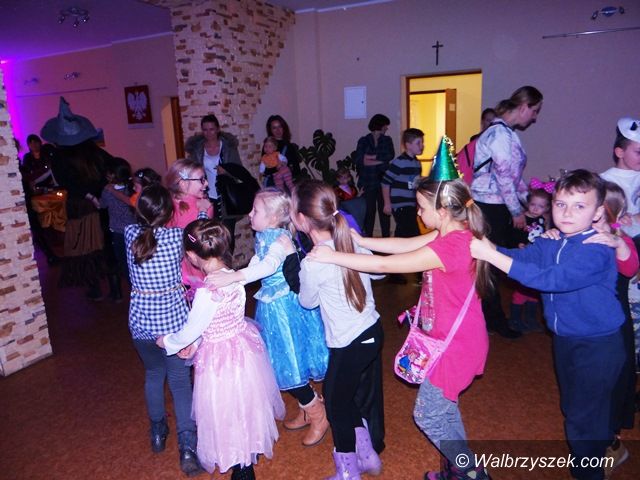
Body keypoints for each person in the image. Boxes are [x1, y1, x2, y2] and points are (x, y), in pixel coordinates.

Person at [309, 155, 493, 480]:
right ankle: (462, 470)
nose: (418, 213)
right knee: (445, 410)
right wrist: (362, 240)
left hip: (457, 347)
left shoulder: (450, 246)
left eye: (422, 208)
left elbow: (384, 265)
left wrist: (334, 255)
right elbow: (405, 244)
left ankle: (471, 472)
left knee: (428, 415)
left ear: (443, 211)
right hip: (455, 341)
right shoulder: (453, 233)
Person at [470, 170, 626, 480]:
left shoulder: (596, 248)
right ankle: (607, 445)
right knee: (575, 406)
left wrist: (491, 256)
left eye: (579, 206)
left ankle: (588, 472)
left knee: (582, 416)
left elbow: (551, 280)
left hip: (599, 345)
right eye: (560, 204)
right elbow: (520, 259)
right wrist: (488, 247)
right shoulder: (552, 242)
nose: (567, 213)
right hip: (566, 338)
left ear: (597, 213)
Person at [156, 219, 284, 480]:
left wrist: (168, 341)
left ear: (192, 256)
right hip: (243, 351)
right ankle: (246, 454)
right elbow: (210, 325)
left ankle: (241, 466)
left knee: (224, 411)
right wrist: (195, 344)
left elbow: (192, 328)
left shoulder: (207, 292)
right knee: (245, 404)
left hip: (220, 361)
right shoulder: (234, 275)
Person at [207, 188, 329, 447]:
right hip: (273, 309)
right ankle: (308, 408)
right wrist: (234, 277)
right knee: (283, 364)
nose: (250, 214)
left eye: (256, 210)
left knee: (287, 365)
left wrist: (234, 277)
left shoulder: (279, 239)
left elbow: (268, 266)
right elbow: (256, 263)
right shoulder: (265, 235)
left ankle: (318, 414)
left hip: (284, 312)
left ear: (273, 218)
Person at [292, 179, 384, 480]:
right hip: (371, 332)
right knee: (342, 396)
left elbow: (307, 302)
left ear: (303, 220)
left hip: (350, 341)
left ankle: (348, 471)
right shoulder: (349, 240)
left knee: (334, 403)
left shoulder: (313, 261)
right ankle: (367, 457)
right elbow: (380, 274)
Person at [124, 185, 203, 477]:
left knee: (153, 375)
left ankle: (157, 432)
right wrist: (201, 211)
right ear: (169, 213)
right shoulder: (175, 238)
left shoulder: (130, 235)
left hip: (141, 325)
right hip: (173, 328)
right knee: (180, 383)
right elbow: (198, 235)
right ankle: (187, 447)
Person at [471, 85, 543, 339]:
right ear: (523, 107)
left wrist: (530, 200)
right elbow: (503, 178)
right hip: (490, 207)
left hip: (497, 205)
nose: (534, 117)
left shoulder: (506, 133)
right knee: (491, 264)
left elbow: (513, 179)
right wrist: (516, 211)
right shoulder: (500, 134)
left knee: (494, 264)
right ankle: (494, 320)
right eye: (534, 110)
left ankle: (493, 318)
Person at [41, 97, 112, 299]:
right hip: (100, 203)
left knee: (84, 246)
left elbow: (68, 183)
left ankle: (96, 288)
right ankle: (114, 290)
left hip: (81, 206)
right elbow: (112, 166)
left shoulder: (60, 157)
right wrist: (101, 191)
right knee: (102, 244)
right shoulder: (93, 151)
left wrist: (90, 195)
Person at [185, 114, 242, 250]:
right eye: (205, 130)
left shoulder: (228, 148)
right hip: (207, 197)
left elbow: (239, 172)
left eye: (211, 129)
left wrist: (227, 171)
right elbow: (190, 172)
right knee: (211, 235)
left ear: (217, 129)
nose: (208, 133)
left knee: (228, 235)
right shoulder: (198, 150)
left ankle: (228, 262)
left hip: (226, 198)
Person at [381, 128, 425, 284]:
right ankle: (421, 274)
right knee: (414, 237)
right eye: (418, 143)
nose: (422, 146)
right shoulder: (399, 162)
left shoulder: (417, 163)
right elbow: (385, 182)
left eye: (422, 142)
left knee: (401, 238)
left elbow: (415, 185)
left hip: (410, 205)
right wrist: (387, 203)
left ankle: (394, 272)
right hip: (400, 206)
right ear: (408, 145)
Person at [508, 183, 552, 332]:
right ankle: (514, 319)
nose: (535, 209)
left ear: (546, 208)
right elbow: (511, 236)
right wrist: (518, 244)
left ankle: (531, 319)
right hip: (523, 258)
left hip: (537, 259)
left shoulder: (542, 220)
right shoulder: (521, 219)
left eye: (540, 206)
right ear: (528, 203)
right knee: (522, 290)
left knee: (534, 290)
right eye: (533, 204)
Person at [164, 158, 214, 288]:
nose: (206, 183)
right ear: (183, 184)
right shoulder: (204, 207)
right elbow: (205, 245)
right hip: (196, 274)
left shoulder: (164, 205)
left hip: (172, 275)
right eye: (201, 180)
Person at [99, 157, 136, 301]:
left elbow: (102, 205)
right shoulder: (132, 188)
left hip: (119, 233)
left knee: (124, 264)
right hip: (135, 231)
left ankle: (133, 293)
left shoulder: (108, 191)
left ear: (113, 174)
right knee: (135, 263)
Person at [354, 114, 395, 238]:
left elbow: (389, 155)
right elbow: (360, 160)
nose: (387, 128)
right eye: (385, 125)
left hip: (383, 182)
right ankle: (368, 240)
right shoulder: (363, 140)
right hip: (368, 181)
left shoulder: (387, 140)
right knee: (369, 213)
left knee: (385, 212)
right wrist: (380, 160)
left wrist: (370, 157)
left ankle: (386, 239)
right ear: (380, 125)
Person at [266, 114, 302, 179]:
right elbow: (265, 169)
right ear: (270, 130)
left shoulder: (289, 146)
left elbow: (296, 169)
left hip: (287, 181)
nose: (278, 130)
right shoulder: (268, 146)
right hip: (273, 181)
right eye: (274, 128)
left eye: (280, 126)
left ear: (284, 128)